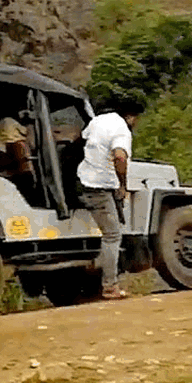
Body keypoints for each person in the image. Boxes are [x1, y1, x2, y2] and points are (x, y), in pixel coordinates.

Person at [76, 97, 145, 300]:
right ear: (131, 117)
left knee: (108, 231)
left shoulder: (98, 121)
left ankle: (96, 264)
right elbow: (120, 157)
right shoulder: (121, 129)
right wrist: (122, 185)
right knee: (113, 235)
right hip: (99, 187)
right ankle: (110, 286)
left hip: (83, 181)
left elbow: (83, 139)